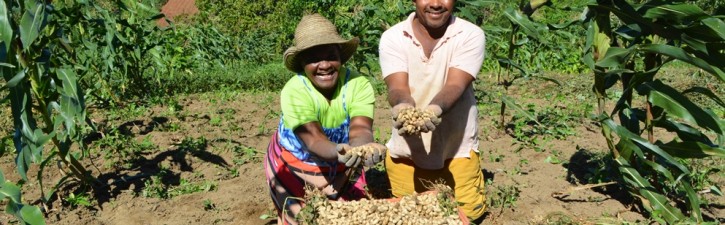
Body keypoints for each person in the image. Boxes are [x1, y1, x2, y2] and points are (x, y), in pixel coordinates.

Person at [264, 14, 386, 224]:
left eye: (330, 55)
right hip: (295, 162)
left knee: (353, 216)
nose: (324, 65)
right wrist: (340, 152)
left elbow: (360, 129)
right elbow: (313, 140)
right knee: (303, 219)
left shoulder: (358, 84)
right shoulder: (295, 91)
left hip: (341, 161)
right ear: (303, 64)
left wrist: (361, 150)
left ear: (341, 56)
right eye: (313, 59)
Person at [378, 0, 487, 222]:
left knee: (467, 215)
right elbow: (398, 87)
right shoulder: (393, 37)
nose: (436, 4)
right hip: (406, 152)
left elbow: (455, 85)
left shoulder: (469, 34)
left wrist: (434, 110)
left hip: (455, 149)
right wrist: (402, 107)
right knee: (409, 215)